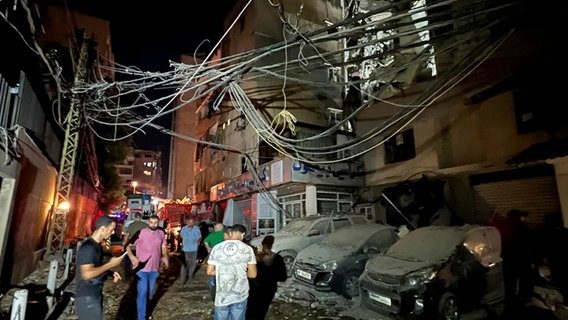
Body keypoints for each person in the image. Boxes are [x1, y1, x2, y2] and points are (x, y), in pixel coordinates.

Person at [75, 215, 124, 320]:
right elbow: (87, 274)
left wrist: (110, 273)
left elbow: (95, 268)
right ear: (102, 229)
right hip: (86, 297)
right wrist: (110, 264)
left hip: (94, 294)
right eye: (111, 230)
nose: (113, 233)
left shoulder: (97, 246)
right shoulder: (88, 247)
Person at [207, 224, 257, 320]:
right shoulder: (247, 249)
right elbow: (253, 274)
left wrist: (225, 269)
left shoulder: (216, 248)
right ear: (242, 234)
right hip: (240, 295)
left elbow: (210, 271)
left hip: (222, 296)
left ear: (230, 233)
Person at [126, 215, 169, 320]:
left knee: (149, 293)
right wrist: (132, 257)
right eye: (151, 222)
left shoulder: (161, 233)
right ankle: (142, 317)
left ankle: (146, 311)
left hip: (154, 269)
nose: (153, 225)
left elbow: (163, 247)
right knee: (143, 292)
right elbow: (127, 245)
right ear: (147, 222)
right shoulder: (141, 233)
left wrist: (165, 257)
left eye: (155, 223)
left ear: (158, 223)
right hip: (141, 269)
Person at [246, 235, 287, 320]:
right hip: (268, 290)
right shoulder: (278, 259)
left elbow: (248, 272)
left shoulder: (255, 257)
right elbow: (283, 277)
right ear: (272, 244)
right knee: (261, 313)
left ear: (262, 243)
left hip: (253, 289)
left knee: (249, 312)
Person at [122, 212, 147, 279]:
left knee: (128, 260)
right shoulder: (145, 225)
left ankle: (128, 276)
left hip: (131, 247)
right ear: (141, 217)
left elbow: (126, 236)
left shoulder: (131, 225)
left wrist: (123, 245)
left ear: (135, 217)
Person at [204, 223, 225, 300]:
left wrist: (208, 248)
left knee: (212, 270)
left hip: (213, 254)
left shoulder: (211, 235)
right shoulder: (224, 234)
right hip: (222, 256)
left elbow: (205, 241)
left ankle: (212, 284)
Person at [178, 218, 202, 286]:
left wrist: (199, 241)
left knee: (192, 263)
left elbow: (199, 236)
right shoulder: (184, 229)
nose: (190, 223)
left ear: (193, 223)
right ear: (187, 222)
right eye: (189, 222)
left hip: (194, 249)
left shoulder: (196, 228)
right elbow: (181, 236)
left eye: (192, 222)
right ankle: (182, 279)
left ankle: (190, 276)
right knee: (184, 264)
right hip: (185, 249)